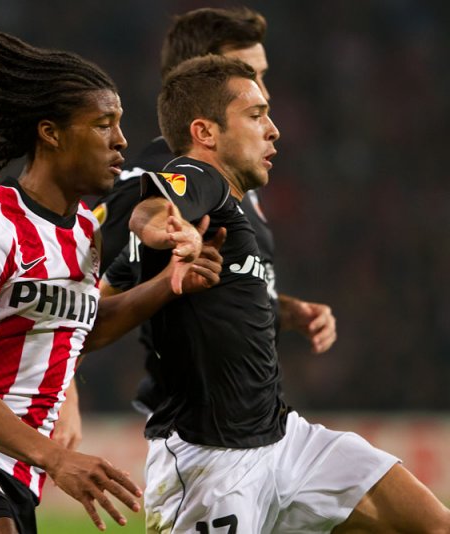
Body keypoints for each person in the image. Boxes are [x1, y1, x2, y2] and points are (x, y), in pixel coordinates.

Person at [0, 23, 207, 534]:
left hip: (14, 464)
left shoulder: (84, 232)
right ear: (50, 132)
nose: (121, 139)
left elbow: (81, 330)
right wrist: (56, 458)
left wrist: (168, 283)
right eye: (104, 124)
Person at [131, 54, 450, 533]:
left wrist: (288, 311)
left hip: (285, 439)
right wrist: (173, 233)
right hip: (210, 466)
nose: (273, 129)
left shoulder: (245, 221)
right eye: (256, 116)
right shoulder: (200, 179)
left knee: (431, 524)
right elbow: (150, 210)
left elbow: (229, 305)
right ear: (206, 132)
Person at [91, 6, 336, 417]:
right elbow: (80, 294)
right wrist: (65, 398)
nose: (265, 93)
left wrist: (282, 308)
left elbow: (221, 279)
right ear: (203, 74)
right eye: (250, 74)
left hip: (247, 419)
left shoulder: (228, 175)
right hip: (194, 427)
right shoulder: (151, 177)